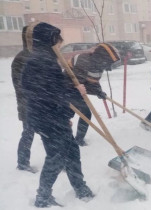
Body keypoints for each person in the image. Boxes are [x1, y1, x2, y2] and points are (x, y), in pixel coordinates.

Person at [22, 22, 94, 207]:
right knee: (57, 156)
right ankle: (43, 198)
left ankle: (80, 188)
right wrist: (76, 92)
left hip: (49, 116)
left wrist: (63, 114)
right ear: (50, 39)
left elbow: (51, 91)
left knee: (71, 152)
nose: (60, 45)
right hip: (48, 117)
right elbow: (51, 94)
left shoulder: (41, 59)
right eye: (58, 41)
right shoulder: (43, 62)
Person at [67, 43, 120, 146]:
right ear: (102, 58)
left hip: (77, 90)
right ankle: (60, 137)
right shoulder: (83, 60)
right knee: (70, 113)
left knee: (84, 113)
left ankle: (78, 139)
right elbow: (80, 82)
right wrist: (92, 90)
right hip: (67, 88)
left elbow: (93, 82)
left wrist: (98, 92)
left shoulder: (97, 65)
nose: (109, 67)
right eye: (108, 62)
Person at [11, 26, 38, 173]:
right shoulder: (22, 58)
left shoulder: (39, 55)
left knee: (52, 134)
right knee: (28, 133)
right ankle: (22, 163)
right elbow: (21, 85)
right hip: (29, 104)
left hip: (39, 104)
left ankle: (60, 161)